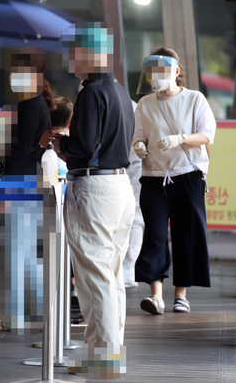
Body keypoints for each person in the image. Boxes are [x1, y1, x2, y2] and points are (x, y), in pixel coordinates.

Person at [42, 22, 135, 377]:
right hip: (120, 189)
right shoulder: (120, 91)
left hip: (95, 190)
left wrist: (55, 143)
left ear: (87, 54)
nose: (69, 60)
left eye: (72, 53)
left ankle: (105, 361)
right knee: (108, 278)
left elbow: (81, 148)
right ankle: (102, 353)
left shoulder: (92, 93)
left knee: (95, 279)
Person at [133, 47, 216, 315]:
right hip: (154, 179)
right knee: (155, 235)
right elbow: (139, 135)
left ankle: (181, 294)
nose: (156, 76)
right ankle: (156, 296)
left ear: (176, 71)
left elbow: (206, 135)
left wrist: (180, 138)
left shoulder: (195, 99)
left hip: (187, 176)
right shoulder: (145, 103)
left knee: (186, 234)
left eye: (162, 70)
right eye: (152, 71)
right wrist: (139, 147)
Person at [0, 47, 52, 334]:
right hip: (26, 190)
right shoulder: (31, 106)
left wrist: (3, 191)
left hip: (22, 190)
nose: (14, 78)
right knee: (25, 254)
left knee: (19, 255)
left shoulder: (31, 108)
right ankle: (36, 313)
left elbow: (22, 156)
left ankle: (19, 316)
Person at [122, 100, 145, 288]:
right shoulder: (134, 105)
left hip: (132, 164)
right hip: (129, 164)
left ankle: (128, 267)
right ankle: (128, 268)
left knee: (135, 216)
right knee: (135, 216)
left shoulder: (135, 106)